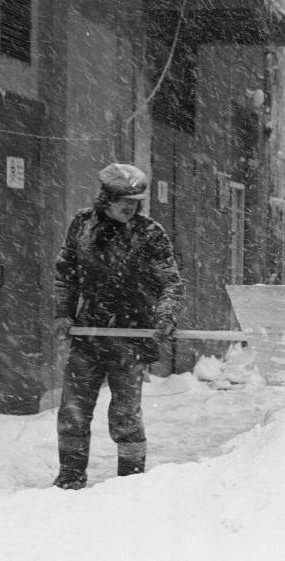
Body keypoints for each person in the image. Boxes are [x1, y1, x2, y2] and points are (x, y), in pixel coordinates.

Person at [52, 163, 184, 489]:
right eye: (125, 200)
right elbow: (65, 275)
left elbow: (171, 284)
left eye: (136, 201)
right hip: (88, 334)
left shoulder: (150, 234)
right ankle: (69, 477)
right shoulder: (83, 226)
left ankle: (130, 482)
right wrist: (62, 313)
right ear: (106, 197)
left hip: (131, 337)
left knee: (125, 416)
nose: (131, 207)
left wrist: (165, 315)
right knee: (73, 411)